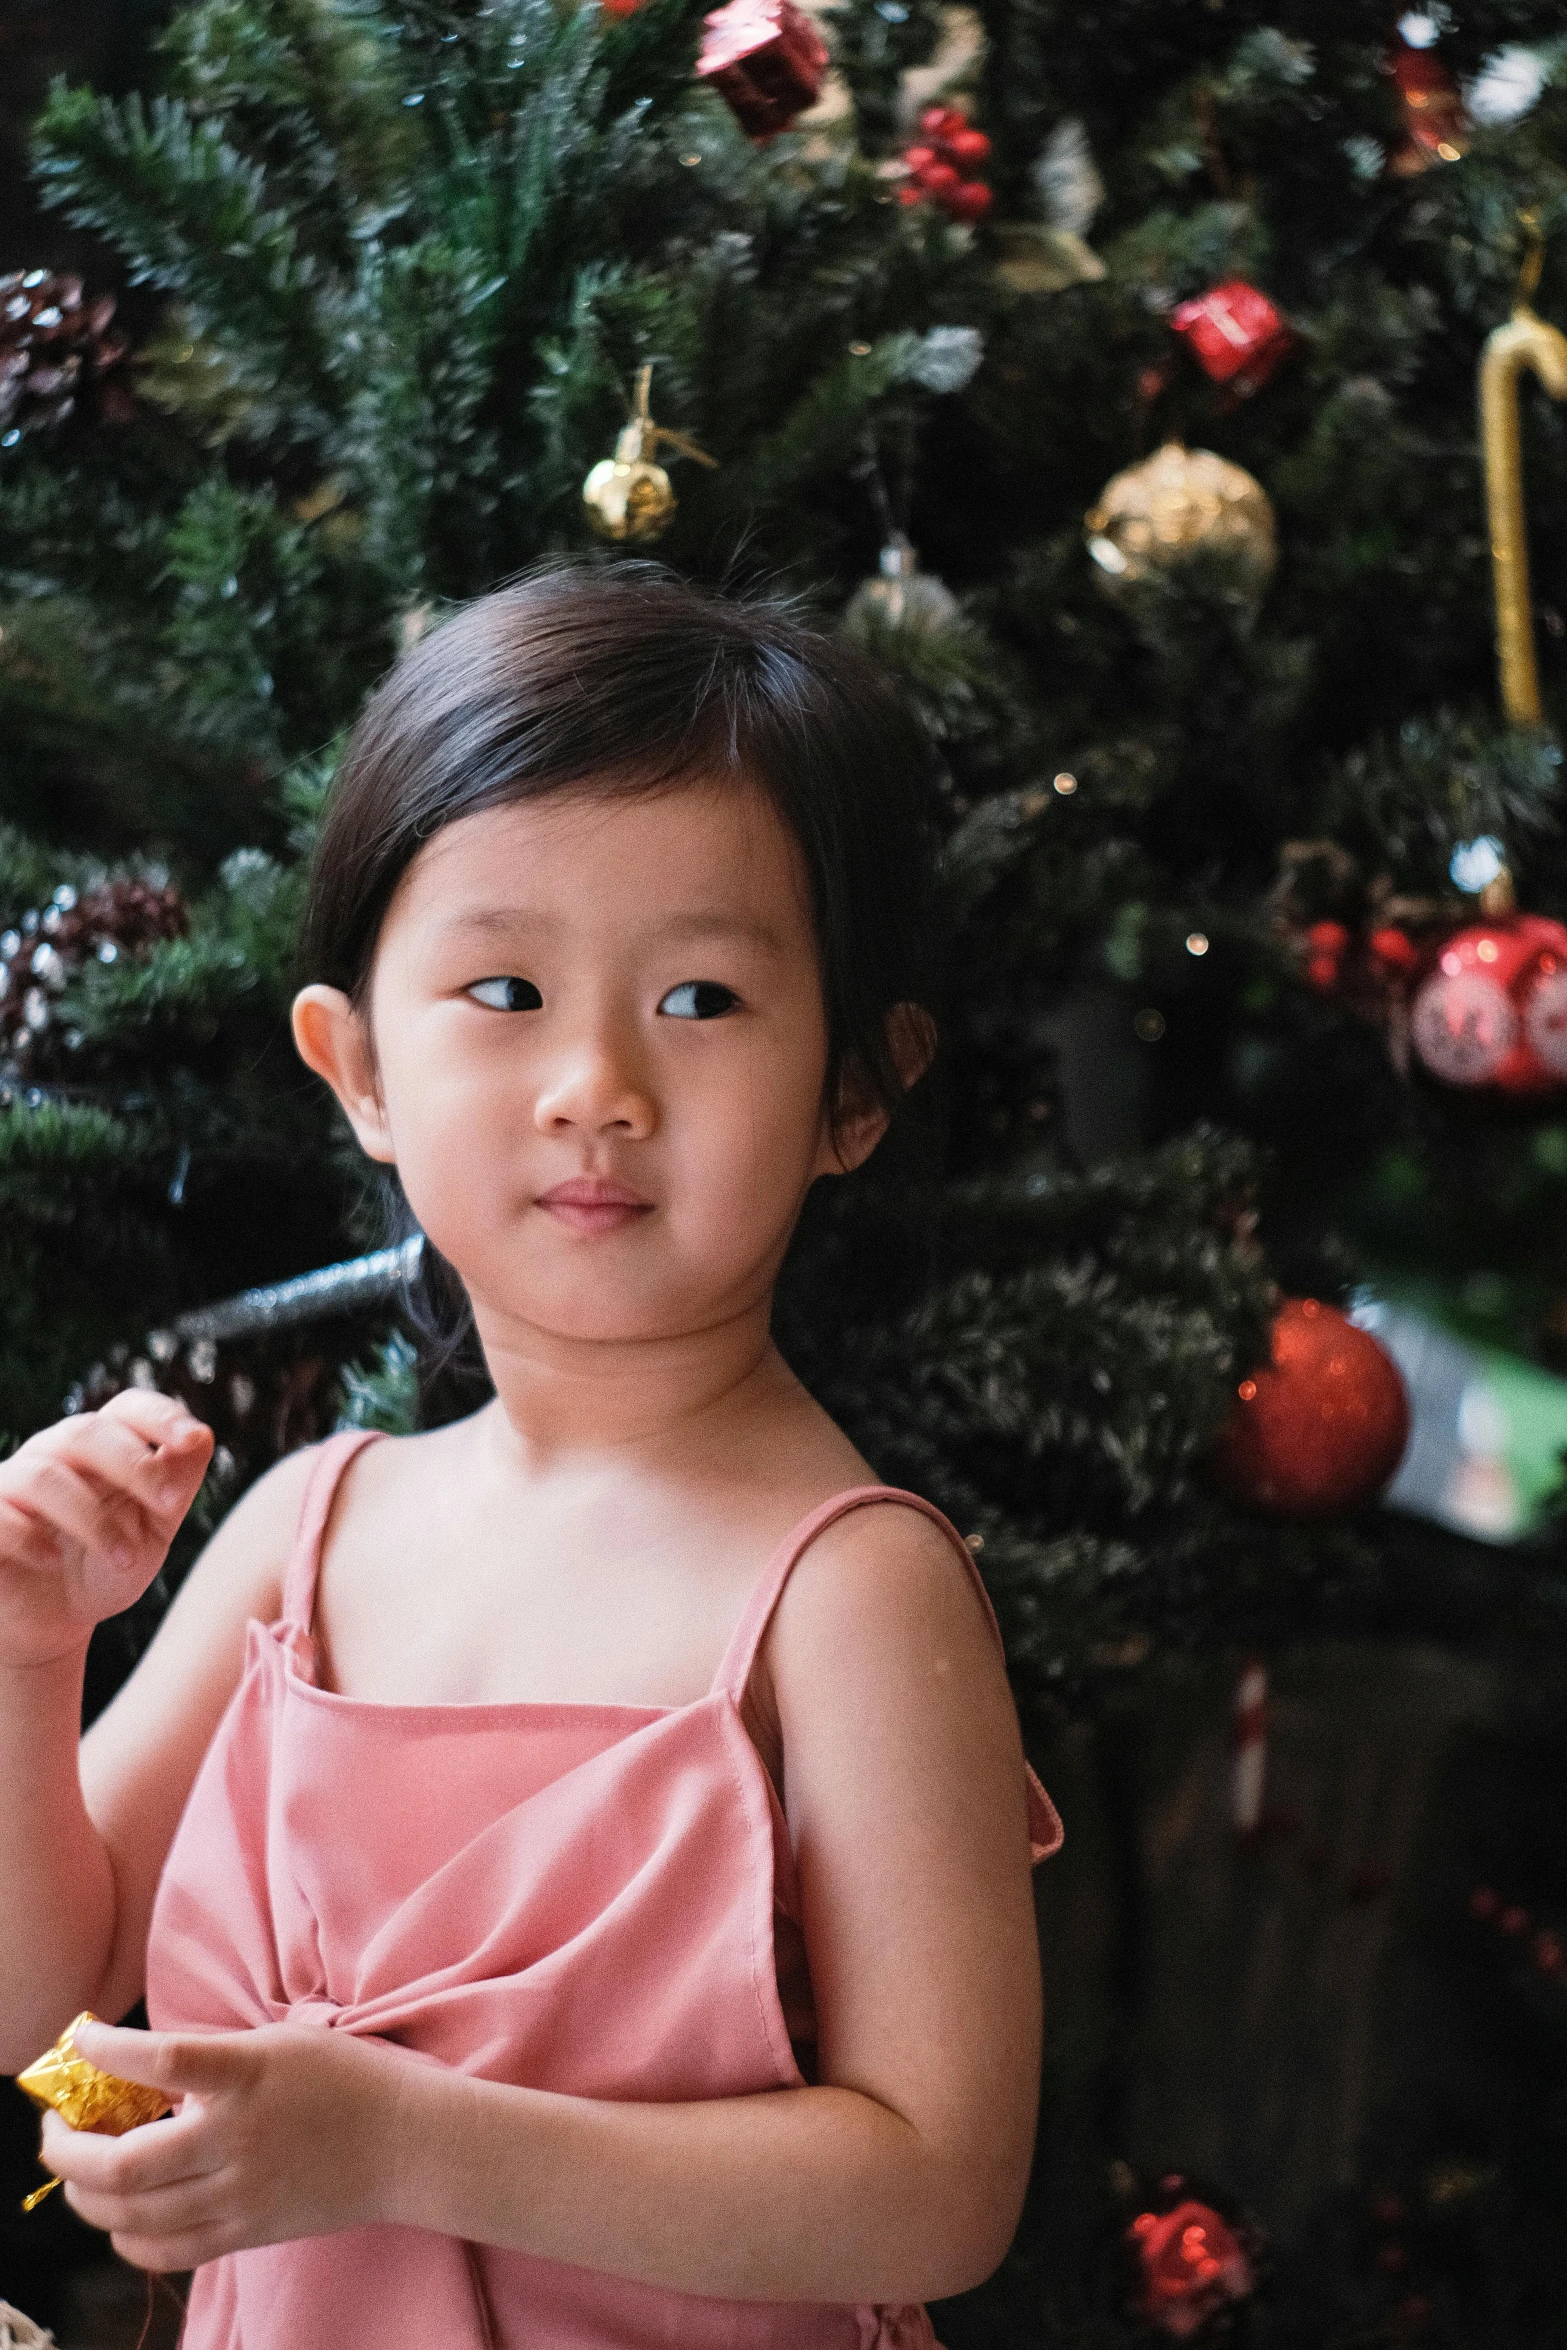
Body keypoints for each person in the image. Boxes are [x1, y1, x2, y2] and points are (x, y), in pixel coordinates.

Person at [0, 564, 1060, 2349]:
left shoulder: (847, 1589)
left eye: (702, 1000)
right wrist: (30, 1658)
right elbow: (43, 2004)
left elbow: (939, 2184)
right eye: (502, 986)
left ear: (854, 1093)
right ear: (359, 1071)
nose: (595, 1082)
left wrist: (409, 2142)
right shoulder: (306, 1534)